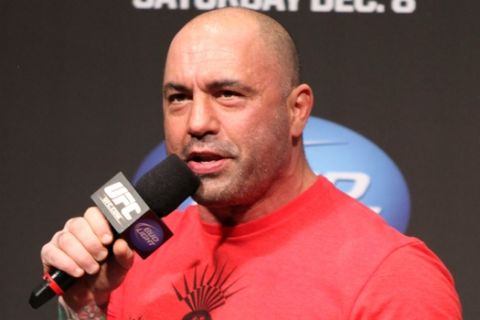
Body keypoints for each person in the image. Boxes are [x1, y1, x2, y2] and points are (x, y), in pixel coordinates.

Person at [41, 8, 462, 320]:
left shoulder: (394, 276)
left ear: (296, 110)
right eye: (179, 98)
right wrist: (86, 308)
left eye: (228, 94)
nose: (197, 122)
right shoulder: (132, 257)